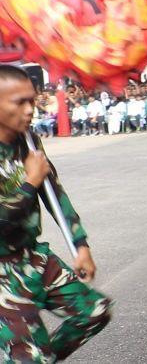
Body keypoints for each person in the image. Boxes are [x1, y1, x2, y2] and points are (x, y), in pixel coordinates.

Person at [0, 65, 112, 361]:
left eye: (32, 100)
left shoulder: (27, 140)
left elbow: (54, 193)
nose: (29, 110)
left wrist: (80, 244)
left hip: (32, 257)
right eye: (19, 102)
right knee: (31, 356)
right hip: (1, 273)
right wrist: (29, 182)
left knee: (93, 313)